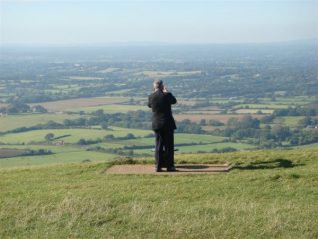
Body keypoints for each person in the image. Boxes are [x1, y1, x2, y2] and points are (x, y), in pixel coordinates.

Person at [148, 80, 177, 172]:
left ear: (154, 87)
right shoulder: (167, 95)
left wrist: (155, 93)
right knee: (169, 146)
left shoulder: (151, 96)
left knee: (158, 145)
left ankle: (158, 166)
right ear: (162, 86)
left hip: (157, 124)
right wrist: (167, 92)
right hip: (168, 123)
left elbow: (149, 105)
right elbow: (174, 101)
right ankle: (170, 166)